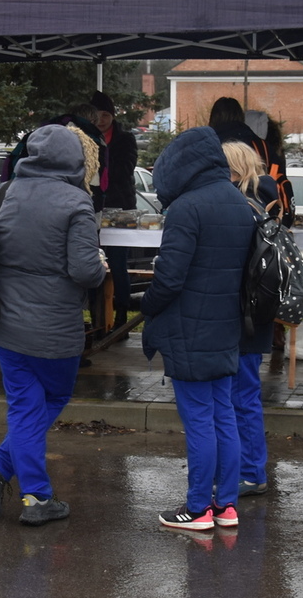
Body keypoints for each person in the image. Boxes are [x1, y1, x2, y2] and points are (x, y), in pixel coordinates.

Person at [0, 124, 106, 526]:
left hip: (4, 322)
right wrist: (100, 268)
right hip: (55, 328)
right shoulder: (77, 202)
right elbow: (85, 271)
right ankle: (37, 498)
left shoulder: (2, 194)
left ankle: (0, 466)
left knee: (24, 404)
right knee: (51, 397)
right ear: (75, 159)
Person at [142, 126, 255, 531]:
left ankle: (197, 508)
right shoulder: (237, 201)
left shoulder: (186, 208)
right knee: (224, 415)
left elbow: (169, 279)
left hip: (189, 329)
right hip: (226, 326)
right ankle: (226, 505)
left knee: (199, 421)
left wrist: (145, 305)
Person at [222, 140, 278, 498]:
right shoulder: (266, 201)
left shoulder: (243, 206)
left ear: (235, 169)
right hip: (258, 311)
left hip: (241, 312)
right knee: (244, 394)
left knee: (240, 396)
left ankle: (252, 472)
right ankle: (247, 469)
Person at [91, 90, 138, 327]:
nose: (101, 120)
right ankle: (96, 315)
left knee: (118, 262)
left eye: (105, 114)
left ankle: (121, 314)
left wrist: (101, 169)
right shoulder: (86, 137)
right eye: (96, 115)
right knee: (92, 260)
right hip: (94, 208)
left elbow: (125, 169)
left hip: (121, 207)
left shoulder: (125, 139)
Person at [209, 97, 292, 214]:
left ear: (213, 117)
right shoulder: (261, 146)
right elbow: (277, 176)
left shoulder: (208, 145)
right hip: (260, 209)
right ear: (241, 117)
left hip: (217, 209)